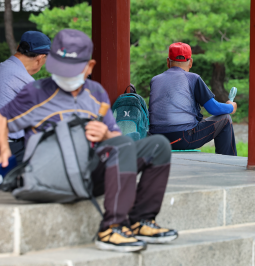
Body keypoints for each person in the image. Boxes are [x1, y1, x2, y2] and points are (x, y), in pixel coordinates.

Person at [0, 29, 178, 252]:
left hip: (88, 171)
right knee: (119, 146)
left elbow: (115, 138)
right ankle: (111, 228)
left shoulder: (96, 94)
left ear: (89, 66)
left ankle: (142, 221)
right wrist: (5, 148)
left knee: (158, 145)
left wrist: (105, 135)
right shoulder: (36, 91)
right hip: (51, 175)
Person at [148, 42, 238, 156]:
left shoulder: (155, 80)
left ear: (168, 62)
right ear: (190, 62)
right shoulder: (193, 78)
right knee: (225, 118)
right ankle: (228, 161)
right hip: (183, 139)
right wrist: (231, 106)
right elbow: (214, 109)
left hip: (156, 140)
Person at [0, 31, 51, 164]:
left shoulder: (3, 68)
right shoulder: (23, 79)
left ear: (18, 47)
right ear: (40, 58)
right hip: (10, 147)